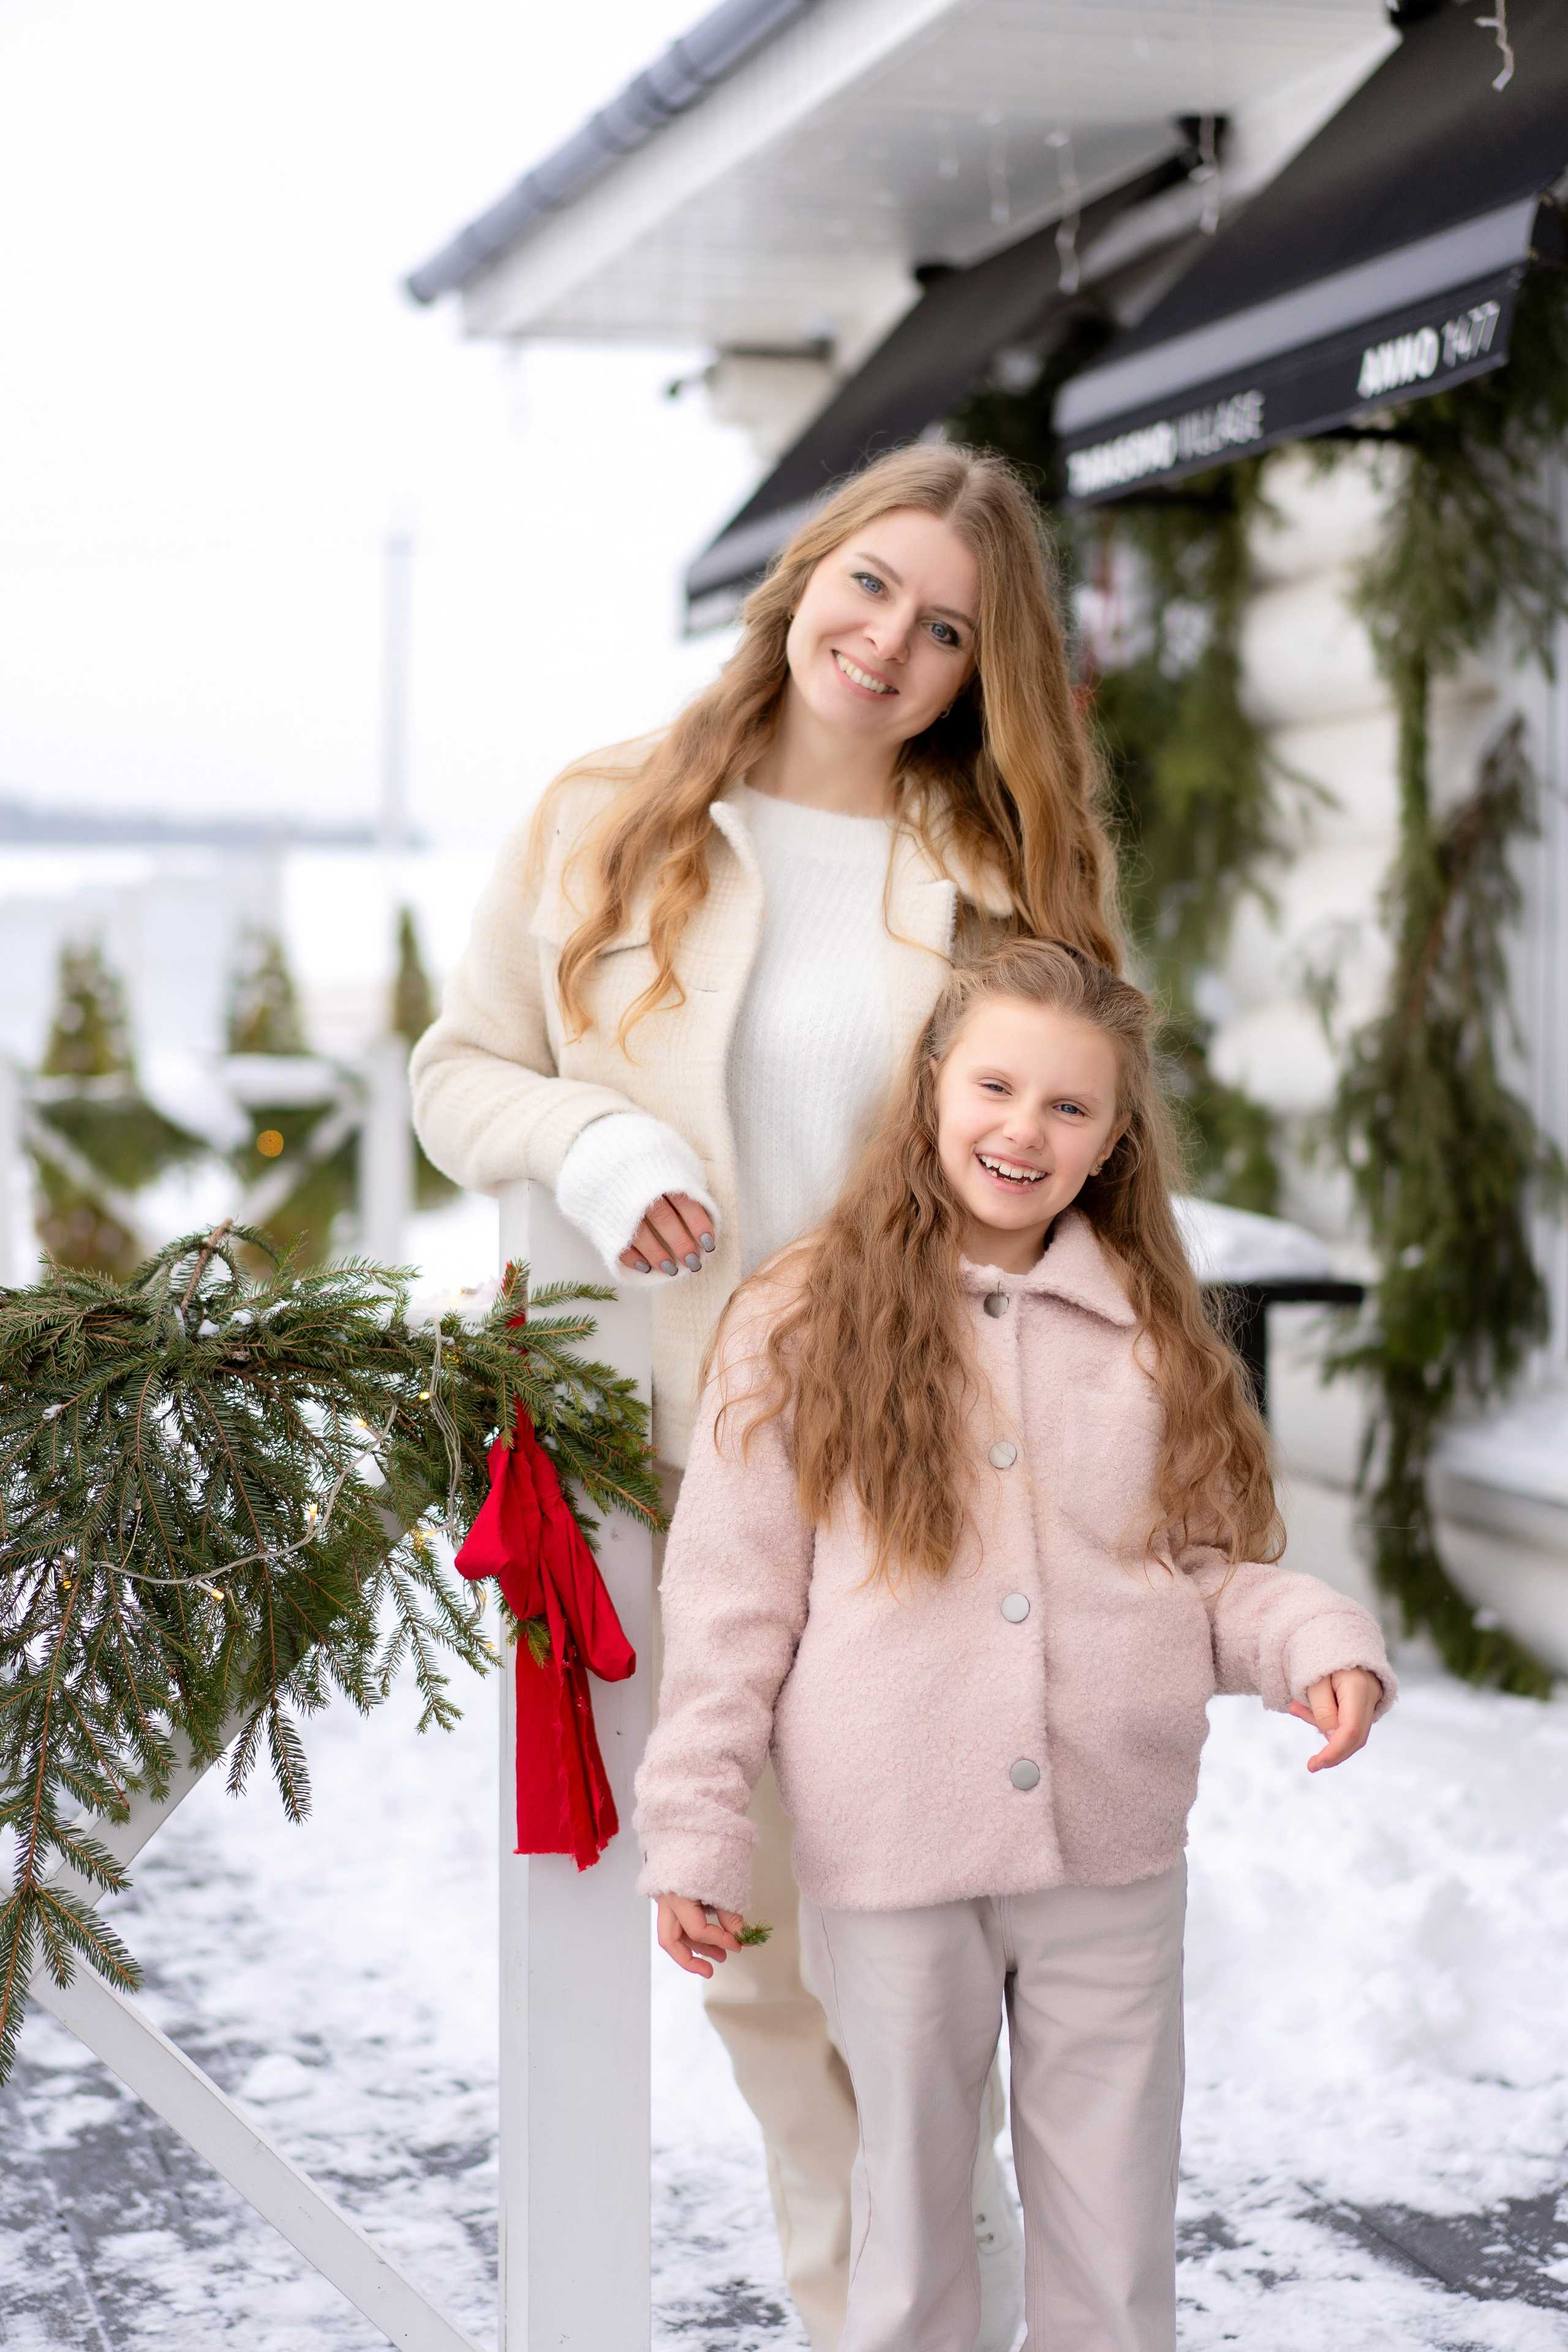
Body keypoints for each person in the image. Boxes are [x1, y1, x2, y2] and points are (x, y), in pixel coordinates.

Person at [410, 444, 1118, 2350]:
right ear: (804, 574)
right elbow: (455, 1071)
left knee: (898, 1979)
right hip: (662, 1485)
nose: (890, 641)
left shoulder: (995, 887)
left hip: (914, 1485)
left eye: (948, 627)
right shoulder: (606, 817)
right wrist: (591, 1132)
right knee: (753, 1970)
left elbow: (1077, 1156)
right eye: (871, 586)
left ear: (979, 671)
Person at [636, 938, 1395, 2352]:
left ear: (1111, 1140)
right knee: (911, 2223)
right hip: (890, 1853)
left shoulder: (1151, 1333)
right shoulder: (798, 1320)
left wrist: (1315, 1640)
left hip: (1109, 1848)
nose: (1021, 1130)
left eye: (1067, 1107)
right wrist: (695, 1831)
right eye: (993, 1085)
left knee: (1113, 2233)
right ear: (932, 1087)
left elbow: (1210, 1573)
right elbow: (733, 1612)